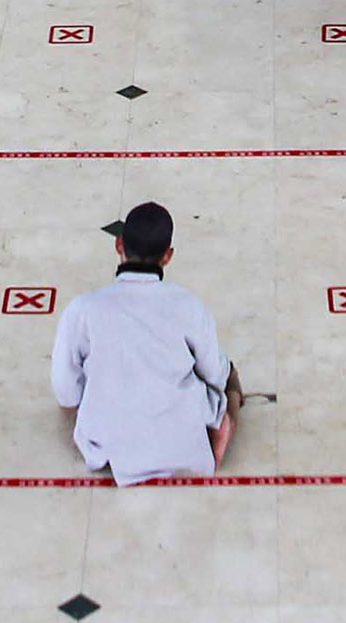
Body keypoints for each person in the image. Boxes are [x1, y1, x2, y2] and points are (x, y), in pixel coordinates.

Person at [50, 200, 240, 482]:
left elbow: (65, 390)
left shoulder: (83, 309)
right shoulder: (188, 306)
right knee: (230, 379)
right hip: (183, 444)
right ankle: (223, 427)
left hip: (108, 446)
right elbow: (214, 373)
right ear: (168, 256)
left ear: (119, 245)